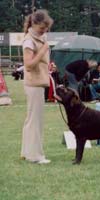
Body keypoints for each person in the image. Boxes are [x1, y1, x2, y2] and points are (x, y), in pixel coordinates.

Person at [21, 9, 53, 164]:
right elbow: (28, 65)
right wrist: (43, 50)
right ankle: (36, 156)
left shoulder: (39, 37)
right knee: (36, 121)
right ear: (33, 24)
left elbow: (39, 62)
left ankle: (26, 153)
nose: (44, 31)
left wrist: (48, 64)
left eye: (46, 28)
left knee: (31, 120)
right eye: (42, 28)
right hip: (33, 84)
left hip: (38, 82)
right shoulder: (29, 41)